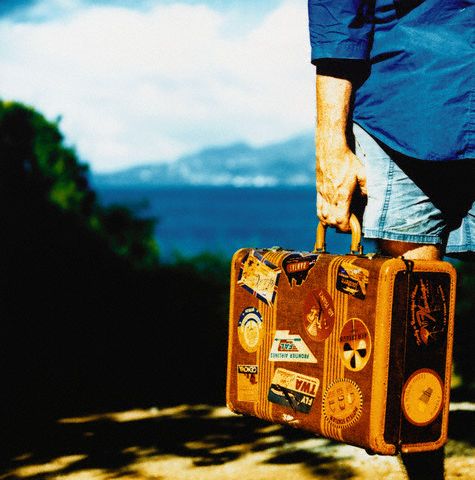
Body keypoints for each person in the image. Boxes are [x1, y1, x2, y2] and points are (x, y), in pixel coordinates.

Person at [308, 0, 474, 478]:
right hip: (411, 108)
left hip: (419, 100)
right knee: (414, 330)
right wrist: (330, 148)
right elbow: (338, 13)